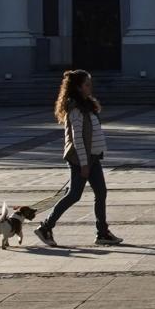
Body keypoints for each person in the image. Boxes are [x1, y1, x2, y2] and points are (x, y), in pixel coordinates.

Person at [35, 69, 123, 248]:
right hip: (81, 159)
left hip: (93, 157)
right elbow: (77, 139)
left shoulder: (86, 104)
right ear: (78, 87)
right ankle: (46, 227)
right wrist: (83, 163)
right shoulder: (75, 108)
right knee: (74, 195)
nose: (90, 87)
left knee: (101, 192)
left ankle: (102, 232)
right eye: (87, 84)